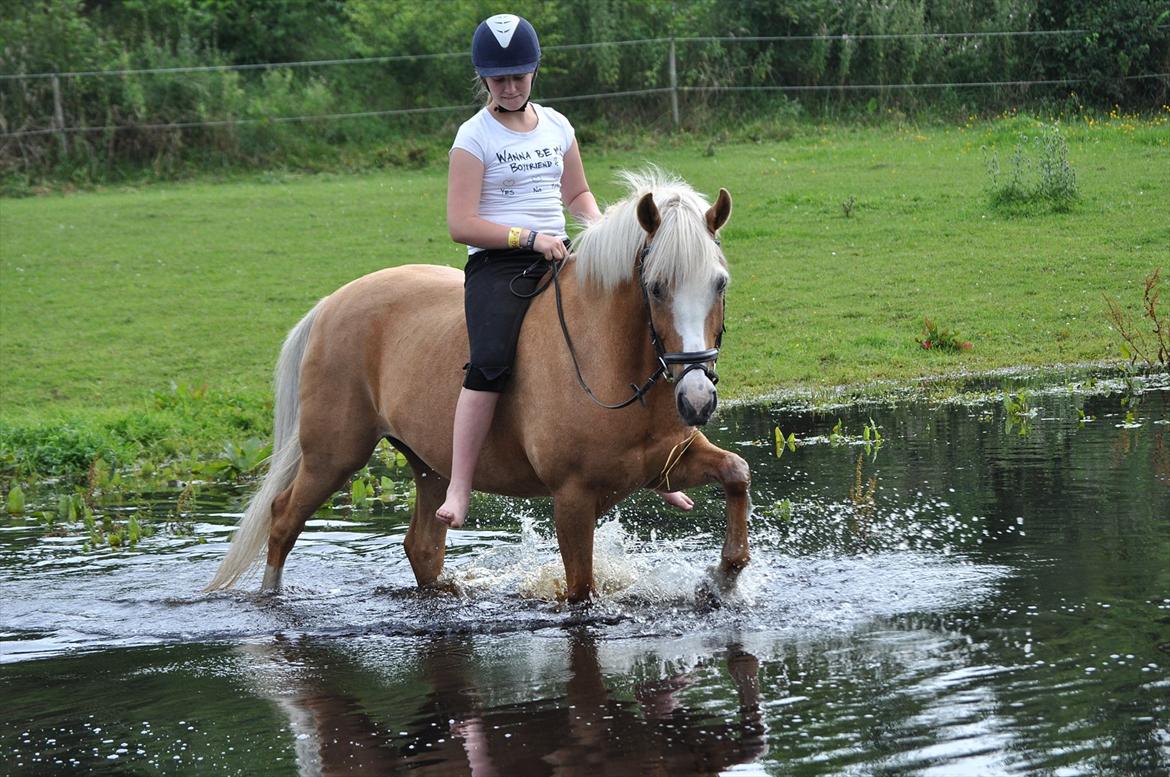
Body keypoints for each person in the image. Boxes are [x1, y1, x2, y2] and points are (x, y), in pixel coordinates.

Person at [436, 13, 694, 528]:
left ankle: (658, 465)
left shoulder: (557, 126)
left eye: (519, 76)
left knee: (637, 331)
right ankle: (460, 485)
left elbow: (575, 193)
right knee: (488, 362)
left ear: (534, 72)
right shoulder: (473, 137)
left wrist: (601, 232)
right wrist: (527, 238)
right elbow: (460, 223)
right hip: (499, 264)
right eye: (498, 78)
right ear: (483, 78)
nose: (509, 87)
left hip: (561, 252)